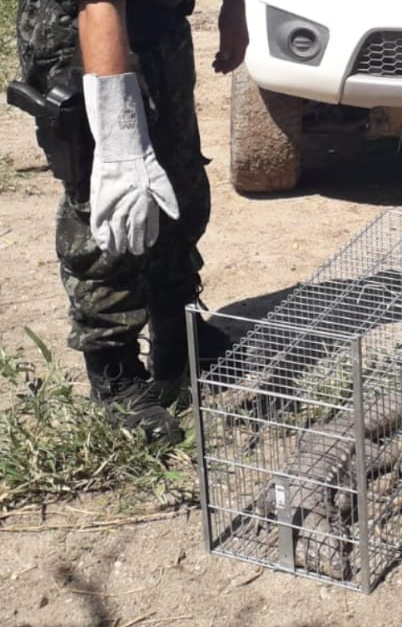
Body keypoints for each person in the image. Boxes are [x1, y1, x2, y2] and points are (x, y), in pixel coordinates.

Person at [14, 0, 248, 442]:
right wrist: (119, 140)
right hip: (83, 27)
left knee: (177, 182)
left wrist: (235, 10)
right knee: (111, 196)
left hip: (159, 23)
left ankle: (176, 334)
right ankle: (113, 369)